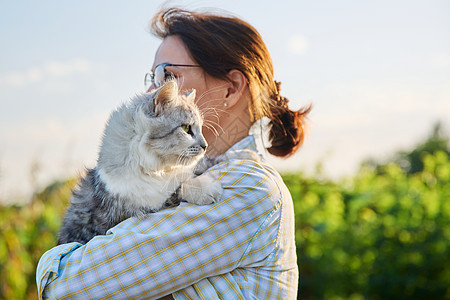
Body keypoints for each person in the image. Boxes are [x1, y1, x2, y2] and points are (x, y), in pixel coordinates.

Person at [36, 7, 310, 299]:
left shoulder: (245, 187)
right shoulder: (186, 179)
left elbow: (64, 288)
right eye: (150, 78)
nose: (152, 91)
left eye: (167, 75)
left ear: (231, 88)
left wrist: (50, 263)